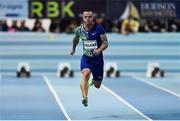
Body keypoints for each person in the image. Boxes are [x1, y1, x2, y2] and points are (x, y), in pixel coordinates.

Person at [70, 10, 108, 107]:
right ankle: (85, 97)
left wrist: (99, 50)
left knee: (97, 85)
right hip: (86, 58)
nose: (88, 18)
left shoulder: (99, 28)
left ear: (93, 18)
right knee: (86, 74)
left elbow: (105, 43)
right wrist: (73, 49)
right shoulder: (79, 30)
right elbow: (76, 39)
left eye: (90, 16)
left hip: (98, 60)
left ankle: (94, 80)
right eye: (85, 17)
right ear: (83, 18)